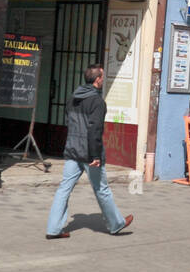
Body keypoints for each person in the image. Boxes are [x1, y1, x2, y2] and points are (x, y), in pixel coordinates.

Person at [46, 64, 132, 238]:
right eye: (102, 77)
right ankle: (116, 223)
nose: (103, 80)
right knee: (102, 189)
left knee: (64, 189)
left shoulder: (72, 98)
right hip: (89, 154)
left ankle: (53, 229)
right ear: (97, 80)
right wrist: (95, 155)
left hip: (72, 150)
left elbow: (69, 123)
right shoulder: (97, 102)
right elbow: (94, 129)